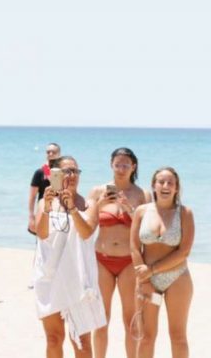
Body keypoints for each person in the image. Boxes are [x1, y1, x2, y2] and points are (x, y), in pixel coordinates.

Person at [34, 156, 107, 358]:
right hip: (50, 276)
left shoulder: (89, 203)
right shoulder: (44, 203)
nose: (72, 175)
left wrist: (73, 209)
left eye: (76, 171)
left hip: (78, 278)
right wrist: (49, 207)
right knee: (54, 339)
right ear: (53, 175)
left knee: (82, 342)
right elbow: (41, 233)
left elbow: (87, 232)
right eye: (66, 171)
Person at [88, 148, 150, 358]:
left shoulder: (142, 194)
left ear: (134, 167)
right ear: (111, 165)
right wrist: (99, 205)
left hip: (128, 262)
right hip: (101, 259)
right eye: (118, 164)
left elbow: (148, 230)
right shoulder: (98, 191)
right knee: (100, 318)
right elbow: (86, 225)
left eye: (126, 165)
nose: (121, 169)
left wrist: (130, 209)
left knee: (130, 318)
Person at [130, 167, 194, 358]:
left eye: (170, 183)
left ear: (176, 188)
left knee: (178, 336)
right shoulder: (141, 211)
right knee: (146, 337)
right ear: (153, 185)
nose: (165, 186)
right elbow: (134, 247)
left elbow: (184, 252)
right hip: (146, 280)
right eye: (161, 182)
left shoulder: (185, 213)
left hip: (177, 277)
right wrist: (145, 280)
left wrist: (152, 270)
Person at [29, 143, 61, 234]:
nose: (50, 154)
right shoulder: (40, 172)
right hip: (43, 211)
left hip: (60, 212)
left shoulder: (63, 172)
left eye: (53, 152)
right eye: (48, 152)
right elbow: (32, 197)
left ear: (59, 154)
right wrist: (31, 216)